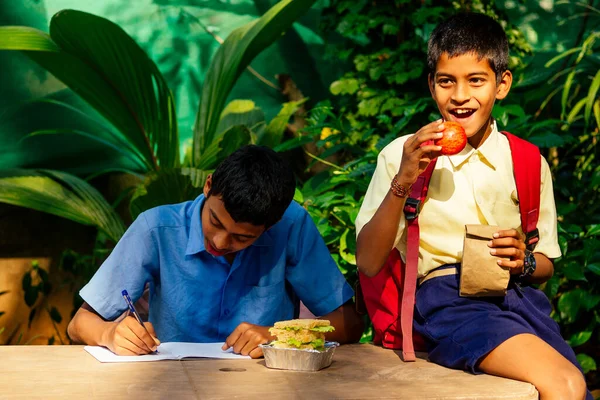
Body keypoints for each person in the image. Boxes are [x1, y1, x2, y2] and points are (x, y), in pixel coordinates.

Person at [355, 12, 591, 400]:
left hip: (519, 300)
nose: (460, 95)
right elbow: (367, 261)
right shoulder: (404, 154)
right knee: (564, 383)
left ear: (502, 85)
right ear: (432, 86)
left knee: (573, 388)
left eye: (476, 80)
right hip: (447, 301)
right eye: (446, 81)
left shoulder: (528, 161)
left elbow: (545, 262)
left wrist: (524, 260)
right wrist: (405, 179)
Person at [68, 145, 363, 358]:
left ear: (272, 224)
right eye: (214, 221)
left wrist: (277, 335)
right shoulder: (156, 228)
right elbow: (79, 324)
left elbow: (349, 324)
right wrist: (110, 334)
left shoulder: (292, 225)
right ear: (208, 185)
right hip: (172, 383)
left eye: (242, 237)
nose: (220, 242)